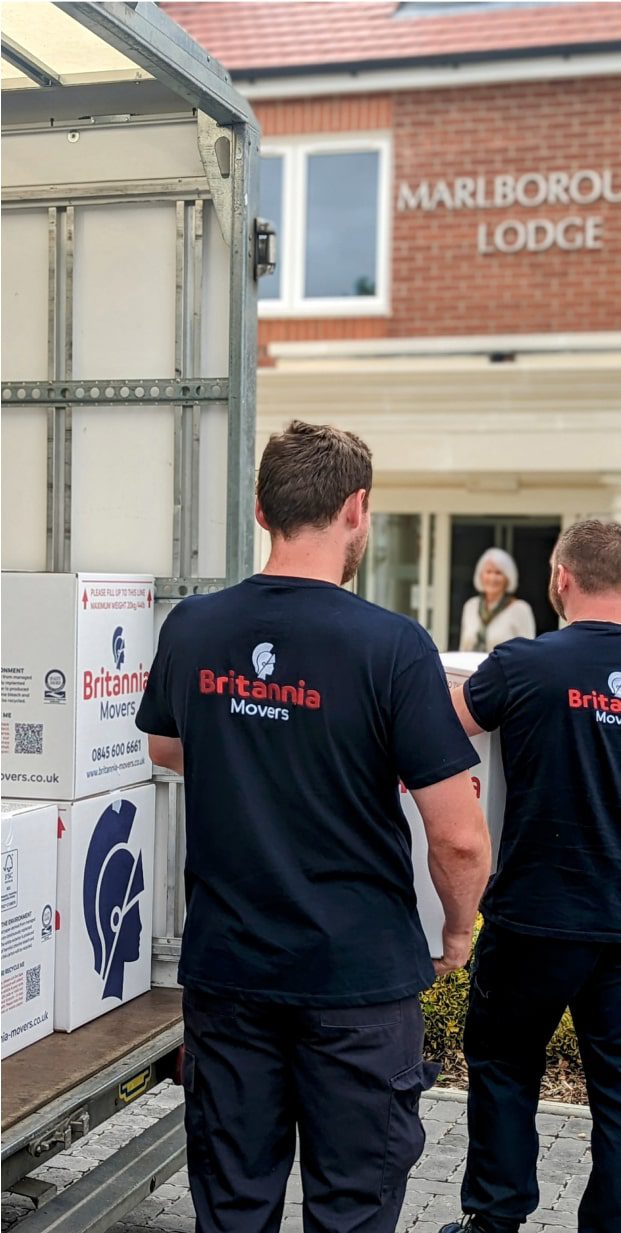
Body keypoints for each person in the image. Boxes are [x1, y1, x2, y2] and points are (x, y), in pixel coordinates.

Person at [136, 420, 491, 1233]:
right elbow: (461, 836)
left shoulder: (193, 625)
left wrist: (256, 751)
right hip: (356, 983)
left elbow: (164, 741)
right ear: (357, 509)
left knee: (232, 1201)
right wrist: (461, 937)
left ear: (260, 509)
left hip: (230, 972)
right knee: (352, 1205)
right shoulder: (392, 646)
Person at [440, 519, 621, 1233]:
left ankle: (495, 1219)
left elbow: (439, 726)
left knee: (504, 1068)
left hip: (533, 915)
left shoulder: (522, 663)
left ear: (558, 579)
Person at [459, 547, 536, 653]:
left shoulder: (520, 609)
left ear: (508, 578)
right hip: (469, 669)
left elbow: (529, 652)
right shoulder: (470, 606)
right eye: (488, 572)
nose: (492, 578)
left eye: (498, 573)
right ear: (481, 576)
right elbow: (463, 649)